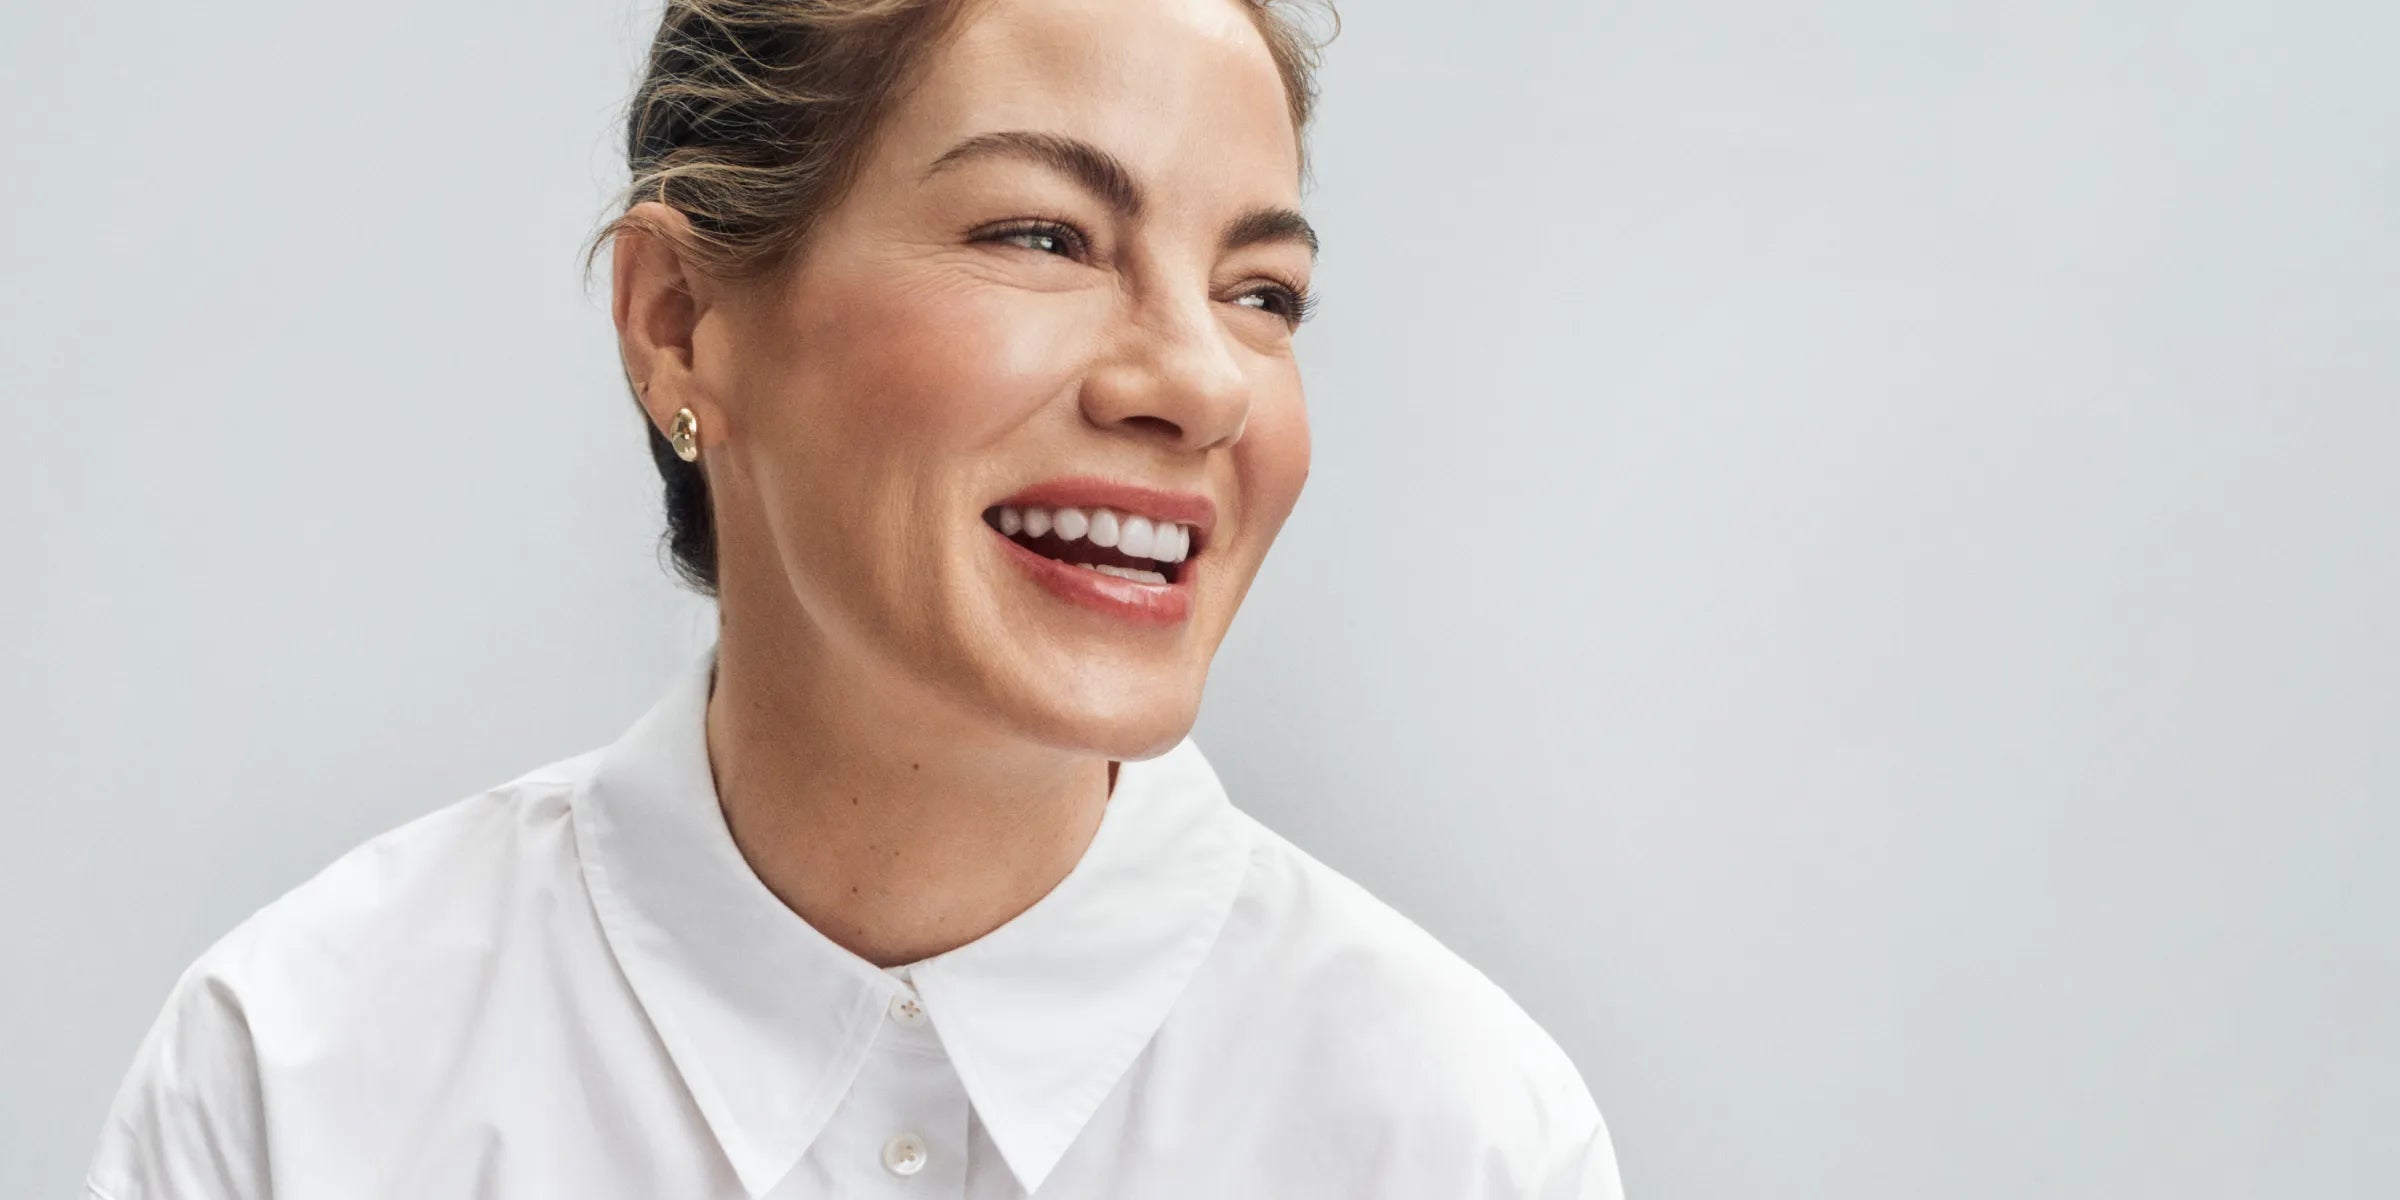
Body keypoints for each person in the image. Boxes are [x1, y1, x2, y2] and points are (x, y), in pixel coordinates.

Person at [83, 0, 1623, 1195]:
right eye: (1043, 235)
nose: (1202, 383)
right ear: (680, 321)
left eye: (1259, 292)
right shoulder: (294, 1082)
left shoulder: (1457, 1139)